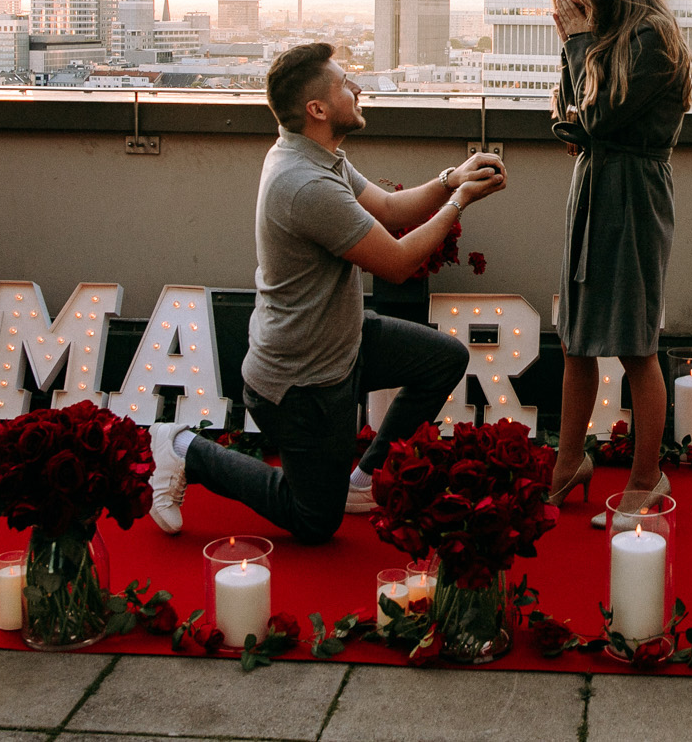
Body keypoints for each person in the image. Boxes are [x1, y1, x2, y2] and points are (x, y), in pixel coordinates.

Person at [146, 42, 507, 543]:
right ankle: (182, 447)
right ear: (316, 109)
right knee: (314, 521)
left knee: (442, 358)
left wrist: (451, 179)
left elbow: (391, 208)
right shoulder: (304, 184)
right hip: (301, 382)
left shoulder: (318, 155)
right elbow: (400, 264)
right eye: (344, 84)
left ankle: (362, 481)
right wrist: (462, 201)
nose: (357, 89)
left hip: (343, 343)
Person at [543, 0, 692, 519]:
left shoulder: (653, 36)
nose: (565, 2)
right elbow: (576, 121)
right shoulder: (597, 39)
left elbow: (600, 116)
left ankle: (646, 478)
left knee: (635, 343)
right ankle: (568, 461)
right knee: (576, 341)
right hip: (594, 187)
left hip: (633, 194)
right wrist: (573, 49)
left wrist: (578, 44)